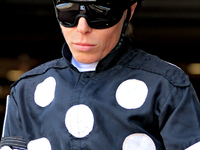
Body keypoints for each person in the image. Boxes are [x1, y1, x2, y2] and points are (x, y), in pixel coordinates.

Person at [0, 0, 200, 149]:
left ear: (129, 11)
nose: (82, 28)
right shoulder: (26, 90)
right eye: (67, 10)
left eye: (100, 13)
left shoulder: (166, 85)